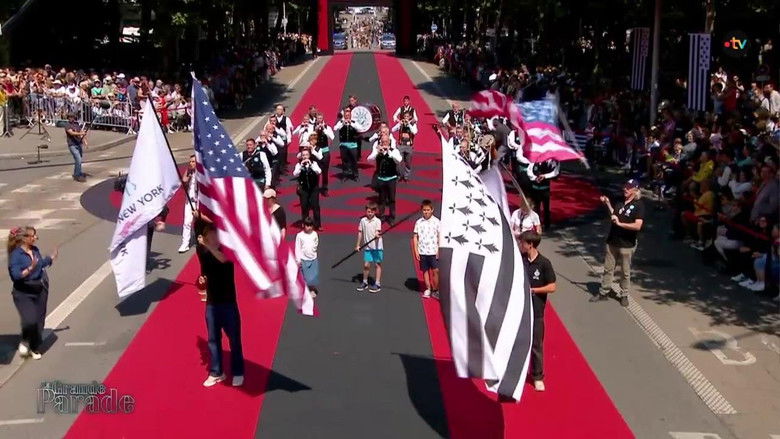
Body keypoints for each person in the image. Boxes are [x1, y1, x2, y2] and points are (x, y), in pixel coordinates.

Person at [196, 222, 244, 387]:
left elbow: (223, 260)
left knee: (234, 339)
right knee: (213, 339)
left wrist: (208, 248)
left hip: (228, 302)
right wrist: (201, 281)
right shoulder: (204, 253)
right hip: (212, 303)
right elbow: (202, 276)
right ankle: (217, 372)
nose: (209, 237)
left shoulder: (227, 251)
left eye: (211, 233)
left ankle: (238, 371)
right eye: (207, 234)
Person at [592, 179, 645, 306]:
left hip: (627, 243)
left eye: (629, 187)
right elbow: (615, 215)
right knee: (608, 268)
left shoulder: (639, 205)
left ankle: (624, 294)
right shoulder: (619, 200)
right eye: (625, 186)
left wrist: (621, 224)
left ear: (635, 190)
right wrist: (608, 203)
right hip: (612, 241)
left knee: (625, 271)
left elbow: (638, 226)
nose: (625, 189)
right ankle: (604, 291)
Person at [7, 226, 58, 360]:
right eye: (33, 236)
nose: (36, 238)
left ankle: (34, 347)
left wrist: (50, 259)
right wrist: (30, 268)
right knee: (30, 320)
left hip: (40, 290)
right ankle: (25, 338)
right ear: (24, 238)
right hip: (23, 293)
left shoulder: (35, 250)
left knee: (39, 322)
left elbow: (40, 264)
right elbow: (16, 275)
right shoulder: (16, 256)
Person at [519, 231, 557, 392]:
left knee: (536, 345)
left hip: (537, 312)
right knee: (518, 344)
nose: (521, 245)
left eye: (523, 243)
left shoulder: (544, 263)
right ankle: (517, 375)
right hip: (520, 311)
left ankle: (537, 376)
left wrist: (533, 290)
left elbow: (552, 286)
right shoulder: (520, 260)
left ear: (531, 245)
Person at [368, 135, 402, 223]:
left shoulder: (394, 151)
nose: (384, 144)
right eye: (382, 142)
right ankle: (382, 216)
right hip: (381, 179)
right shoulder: (377, 151)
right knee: (381, 199)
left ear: (389, 143)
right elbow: (369, 159)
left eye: (386, 142)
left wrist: (389, 152)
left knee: (392, 199)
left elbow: (399, 160)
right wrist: (377, 152)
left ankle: (392, 217)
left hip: (391, 179)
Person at [413, 200, 441, 299]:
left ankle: (436, 289)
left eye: (428, 210)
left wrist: (439, 249)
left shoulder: (437, 222)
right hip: (422, 251)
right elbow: (415, 237)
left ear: (432, 210)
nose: (426, 212)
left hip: (433, 251)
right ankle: (428, 288)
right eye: (424, 210)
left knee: (436, 271)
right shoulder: (418, 222)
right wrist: (416, 251)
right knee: (425, 271)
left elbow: (439, 236)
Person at [356, 202, 383, 293]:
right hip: (367, 247)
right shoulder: (363, 220)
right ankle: (365, 282)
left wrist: (377, 235)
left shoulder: (377, 221)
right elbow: (360, 232)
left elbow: (377, 231)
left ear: (375, 212)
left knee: (377, 264)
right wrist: (358, 245)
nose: (370, 213)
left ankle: (377, 283)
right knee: (366, 265)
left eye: (371, 212)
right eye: (368, 211)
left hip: (376, 247)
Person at [293, 148, 323, 229]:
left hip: (314, 188)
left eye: (306, 155)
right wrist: (301, 166)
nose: (305, 157)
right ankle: (305, 223)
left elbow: (319, 171)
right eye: (303, 155)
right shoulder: (299, 165)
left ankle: (317, 224)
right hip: (304, 188)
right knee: (304, 206)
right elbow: (295, 174)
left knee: (315, 206)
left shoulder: (314, 163)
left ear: (309, 155)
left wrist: (311, 165)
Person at [527, 158, 560, 230]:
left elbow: (556, 172)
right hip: (535, 188)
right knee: (536, 207)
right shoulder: (534, 160)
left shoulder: (552, 161)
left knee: (546, 208)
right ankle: (537, 224)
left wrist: (545, 176)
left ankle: (547, 224)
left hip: (545, 189)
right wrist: (535, 178)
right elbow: (529, 171)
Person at [295, 217, 320, 298]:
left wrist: (313, 250)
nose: (309, 227)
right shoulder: (299, 236)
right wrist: (298, 259)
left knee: (312, 276)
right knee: (305, 277)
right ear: (303, 225)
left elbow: (316, 242)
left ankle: (312, 289)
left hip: (313, 258)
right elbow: (297, 248)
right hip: (303, 259)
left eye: (310, 226)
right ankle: (304, 290)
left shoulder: (315, 234)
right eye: (307, 225)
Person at [334, 107, 361, 180]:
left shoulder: (354, 122)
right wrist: (343, 123)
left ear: (351, 116)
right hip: (343, 144)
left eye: (348, 115)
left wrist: (351, 123)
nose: (347, 117)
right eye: (346, 115)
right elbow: (335, 128)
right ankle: (345, 174)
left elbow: (360, 129)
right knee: (344, 161)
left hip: (353, 145)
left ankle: (355, 175)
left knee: (354, 160)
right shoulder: (341, 122)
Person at [179, 155, 198, 253]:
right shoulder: (189, 171)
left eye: (193, 161)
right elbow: (184, 180)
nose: (191, 163)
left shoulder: (201, 174)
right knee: (187, 222)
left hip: (199, 201)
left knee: (200, 222)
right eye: (190, 161)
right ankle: (185, 243)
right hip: (189, 201)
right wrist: (189, 171)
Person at [65, 113, 88, 182]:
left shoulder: (76, 124)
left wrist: (85, 141)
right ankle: (77, 176)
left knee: (79, 160)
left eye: (72, 117)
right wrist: (81, 133)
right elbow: (71, 133)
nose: (71, 118)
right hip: (72, 145)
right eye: (70, 117)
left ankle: (77, 173)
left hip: (78, 144)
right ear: (68, 118)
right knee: (78, 159)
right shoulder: (67, 125)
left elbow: (80, 133)